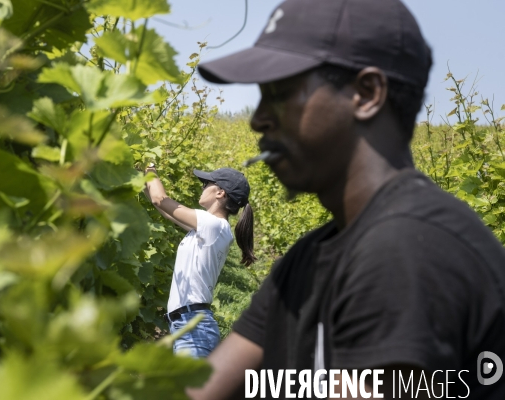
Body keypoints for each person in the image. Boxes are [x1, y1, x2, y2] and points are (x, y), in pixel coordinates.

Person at [187, 0, 505, 398]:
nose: (258, 118)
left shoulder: (408, 247)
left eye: (281, 93)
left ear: (367, 94)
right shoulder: (309, 258)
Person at [144, 165, 256, 358]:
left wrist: (150, 168)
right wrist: (142, 179)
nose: (202, 187)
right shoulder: (208, 227)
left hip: (193, 330)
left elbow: (160, 198)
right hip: (188, 326)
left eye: (206, 183)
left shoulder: (213, 225)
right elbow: (162, 207)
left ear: (220, 192)